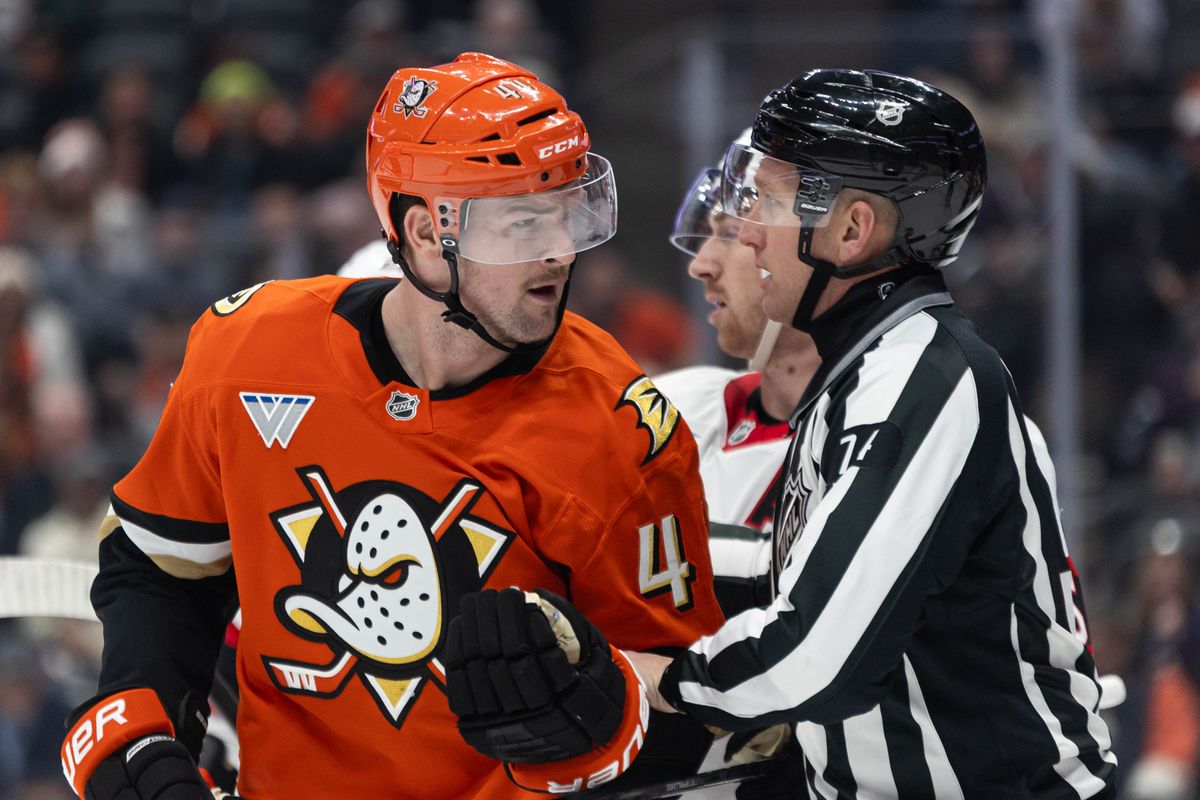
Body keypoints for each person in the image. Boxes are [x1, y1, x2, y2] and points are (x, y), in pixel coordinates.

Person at [59, 52, 724, 800]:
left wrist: (603, 722)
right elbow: (160, 566)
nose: (558, 250)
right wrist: (142, 734)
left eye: (570, 212)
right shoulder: (245, 351)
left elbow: (698, 703)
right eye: (521, 222)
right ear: (420, 231)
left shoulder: (620, 426)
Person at [452, 68, 1119, 799]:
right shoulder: (861, 378)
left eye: (762, 203)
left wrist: (644, 678)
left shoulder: (923, 379)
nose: (743, 236)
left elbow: (814, 658)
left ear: (851, 232)